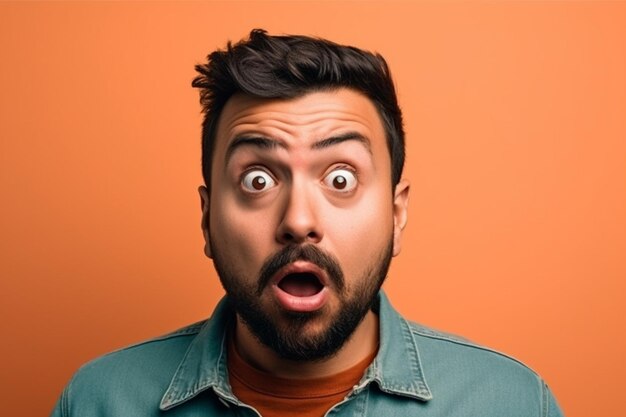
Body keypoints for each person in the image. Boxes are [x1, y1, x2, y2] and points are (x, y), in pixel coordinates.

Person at [51, 29, 564, 417]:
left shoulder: (513, 403)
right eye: (257, 180)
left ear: (395, 214)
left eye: (340, 179)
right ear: (207, 219)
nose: (298, 221)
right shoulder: (98, 401)